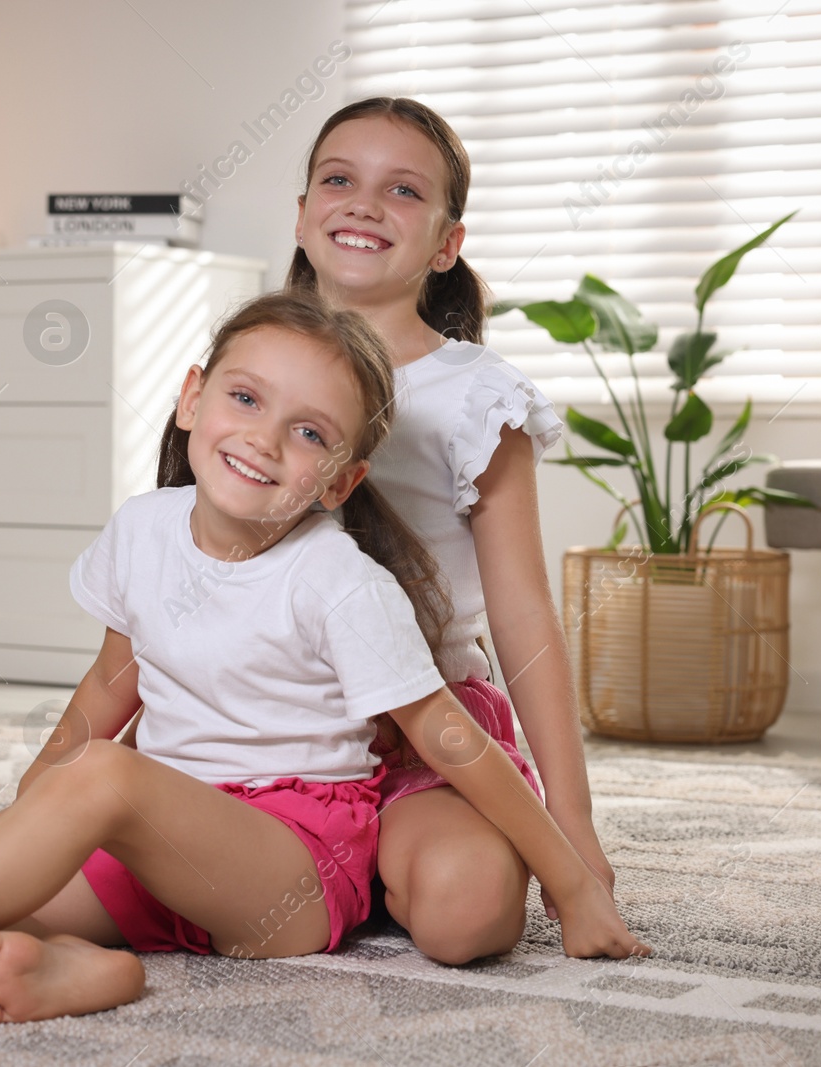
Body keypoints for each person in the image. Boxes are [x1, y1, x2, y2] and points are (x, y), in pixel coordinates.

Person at [0, 290, 645, 1037]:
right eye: (245, 397)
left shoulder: (337, 581)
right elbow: (103, 692)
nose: (264, 437)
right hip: (154, 841)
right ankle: (95, 969)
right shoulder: (143, 530)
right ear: (190, 398)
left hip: (286, 868)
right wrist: (25, 833)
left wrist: (571, 880)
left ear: (342, 479)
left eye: (308, 432)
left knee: (97, 783)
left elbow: (449, 737)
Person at [284, 96, 618, 966]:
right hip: (265, 720)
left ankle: (377, 860)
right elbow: (182, 563)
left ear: (446, 245)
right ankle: (338, 868)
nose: (362, 203)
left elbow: (523, 616)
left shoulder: (477, 397)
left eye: (401, 190)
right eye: (338, 179)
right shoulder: (254, 367)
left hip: (425, 735)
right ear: (302, 214)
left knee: (468, 916)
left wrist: (569, 824)